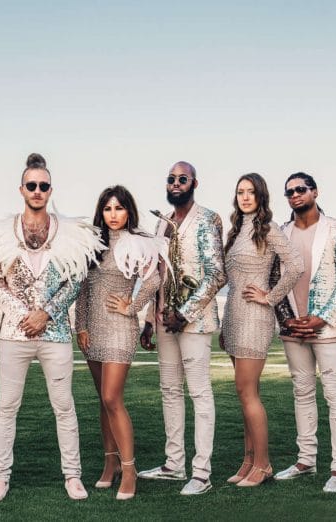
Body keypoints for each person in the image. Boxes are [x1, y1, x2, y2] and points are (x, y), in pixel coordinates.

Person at [0, 153, 104, 503]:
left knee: (64, 406)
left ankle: (73, 475)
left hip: (56, 333)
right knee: (7, 406)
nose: (37, 190)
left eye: (43, 186)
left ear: (51, 190)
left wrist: (45, 314)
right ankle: (0, 477)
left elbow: (75, 280)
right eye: (31, 185)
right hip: (13, 334)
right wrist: (24, 315)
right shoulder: (2, 233)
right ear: (21, 189)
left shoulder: (70, 233)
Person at [137, 162, 226, 496]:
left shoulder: (208, 219)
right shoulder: (161, 223)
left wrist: (185, 313)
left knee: (199, 393)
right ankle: (174, 465)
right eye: (171, 179)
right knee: (170, 391)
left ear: (194, 184)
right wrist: (149, 320)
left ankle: (202, 473)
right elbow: (157, 275)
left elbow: (217, 274)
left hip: (195, 322)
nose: (176, 183)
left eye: (182, 179)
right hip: (163, 320)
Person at [74, 185, 163, 500]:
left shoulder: (137, 242)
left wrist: (132, 306)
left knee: (112, 397)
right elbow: (83, 288)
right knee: (103, 399)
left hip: (120, 328)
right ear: (101, 212)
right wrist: (80, 326)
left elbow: (154, 279)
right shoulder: (93, 244)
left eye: (119, 208)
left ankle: (129, 470)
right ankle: (110, 464)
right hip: (93, 329)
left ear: (129, 211)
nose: (113, 214)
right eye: (108, 208)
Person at [271, 173, 336, 493]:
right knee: (302, 394)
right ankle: (305, 460)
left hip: (328, 328)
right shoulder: (280, 233)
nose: (295, 194)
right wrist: (287, 320)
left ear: (315, 192)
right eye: (289, 191)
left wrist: (322, 318)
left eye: (301, 189)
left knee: (335, 396)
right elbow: (274, 281)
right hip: (293, 329)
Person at [221, 173, 303, 487]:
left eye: (250, 192)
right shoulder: (236, 230)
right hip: (233, 316)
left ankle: (263, 464)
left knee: (247, 392)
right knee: (245, 394)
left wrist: (269, 297)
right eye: (240, 192)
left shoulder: (268, 228)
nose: (245, 197)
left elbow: (295, 265)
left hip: (255, 318)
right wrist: (225, 325)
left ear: (261, 196)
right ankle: (248, 461)